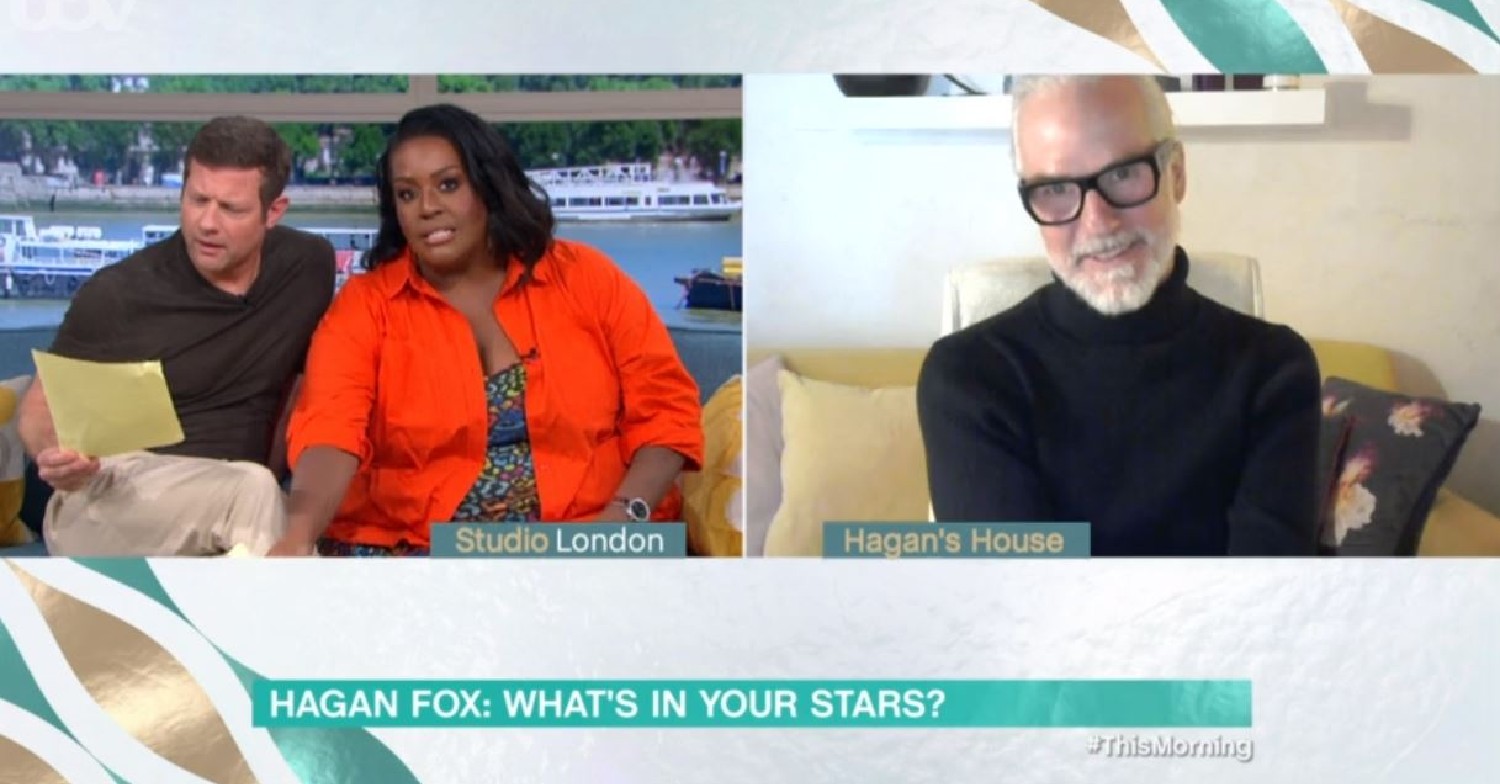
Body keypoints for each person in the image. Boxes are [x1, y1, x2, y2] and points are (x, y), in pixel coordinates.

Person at [274, 104, 704, 557]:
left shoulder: (586, 278)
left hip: (592, 534)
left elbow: (665, 410)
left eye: (448, 185)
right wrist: (299, 535)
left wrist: (621, 518)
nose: (427, 208)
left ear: (488, 186)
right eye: (406, 194)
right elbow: (330, 430)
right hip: (415, 547)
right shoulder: (365, 308)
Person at [916, 75, 1321, 556]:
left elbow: (1265, 601)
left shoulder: (1274, 368)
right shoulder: (969, 378)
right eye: (1057, 187)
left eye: (1124, 173)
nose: (1098, 222)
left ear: (1176, 174)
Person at [18, 116, 337, 556]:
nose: (207, 222)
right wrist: (58, 460)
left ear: (273, 213)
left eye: (231, 209)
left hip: (233, 501)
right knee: (253, 491)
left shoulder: (306, 267)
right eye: (197, 199)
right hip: (107, 499)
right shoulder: (121, 293)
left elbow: (305, 382)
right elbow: (38, 410)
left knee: (285, 518)